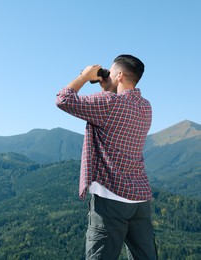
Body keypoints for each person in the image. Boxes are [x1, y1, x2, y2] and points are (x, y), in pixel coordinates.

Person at [55, 54, 157, 259]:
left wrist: (84, 76)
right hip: (139, 200)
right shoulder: (146, 107)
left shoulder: (108, 103)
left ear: (119, 76)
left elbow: (63, 99)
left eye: (109, 72)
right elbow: (118, 107)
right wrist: (109, 88)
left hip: (111, 200)